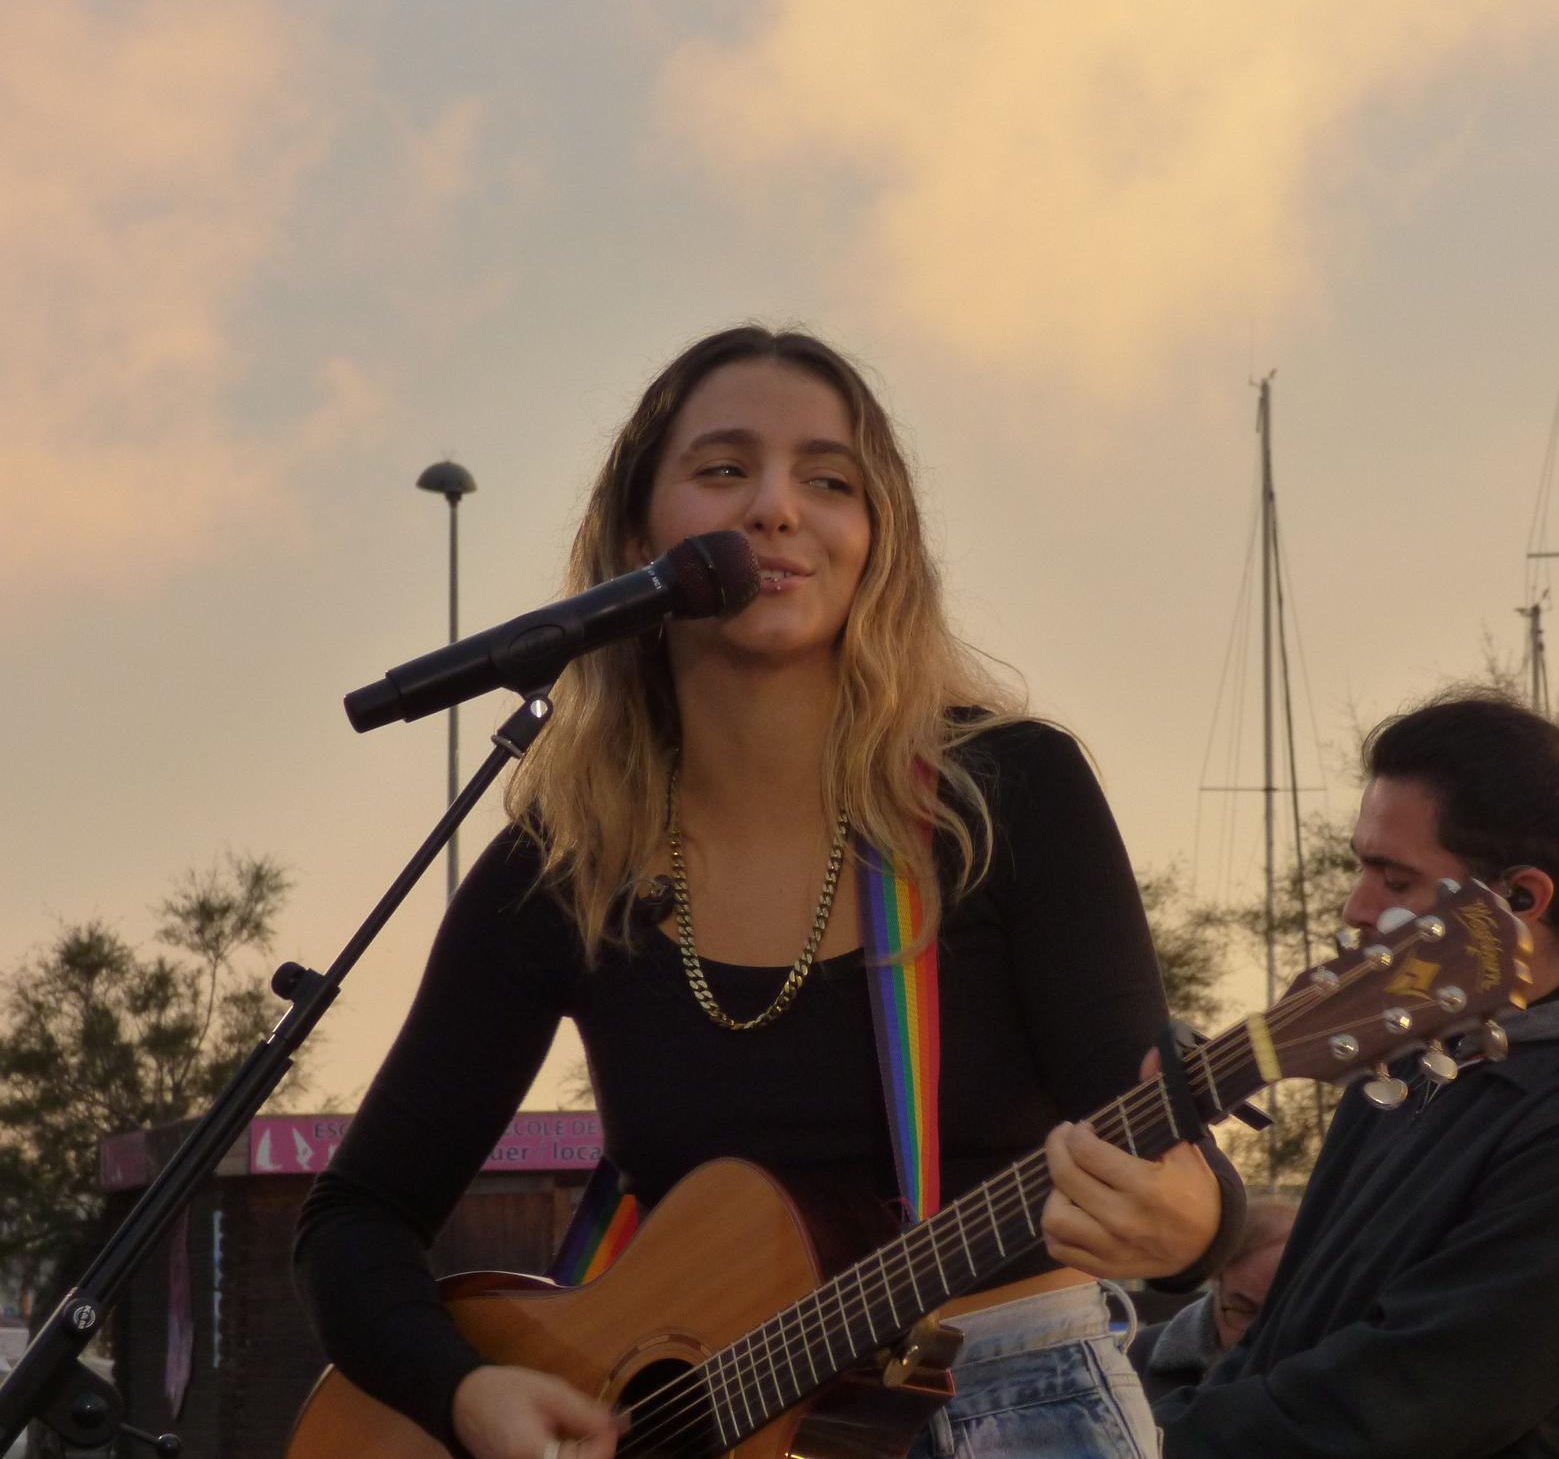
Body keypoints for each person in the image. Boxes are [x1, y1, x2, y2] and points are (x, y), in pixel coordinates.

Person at [295, 326, 1241, 1459]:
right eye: (724, 469)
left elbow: (1144, 1137)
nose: (777, 509)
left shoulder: (1004, 798)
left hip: (1016, 1405)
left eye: (828, 480)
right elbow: (355, 1218)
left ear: (875, 538)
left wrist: (1201, 1218)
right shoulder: (565, 870)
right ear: (640, 532)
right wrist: (462, 1393)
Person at [1154, 690, 1559, 1458]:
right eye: (1361, 869)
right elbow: (1293, 1337)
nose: (1358, 909)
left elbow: (1394, 1408)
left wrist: (1149, 1446)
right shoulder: (1421, 1059)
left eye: (1395, 881)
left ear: (1520, 899)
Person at [1128, 1196, 1297, 1404]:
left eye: (1280, 1313)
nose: (1259, 1332)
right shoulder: (1139, 1358)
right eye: (1243, 1310)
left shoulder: (1323, 1370)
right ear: (1216, 1282)